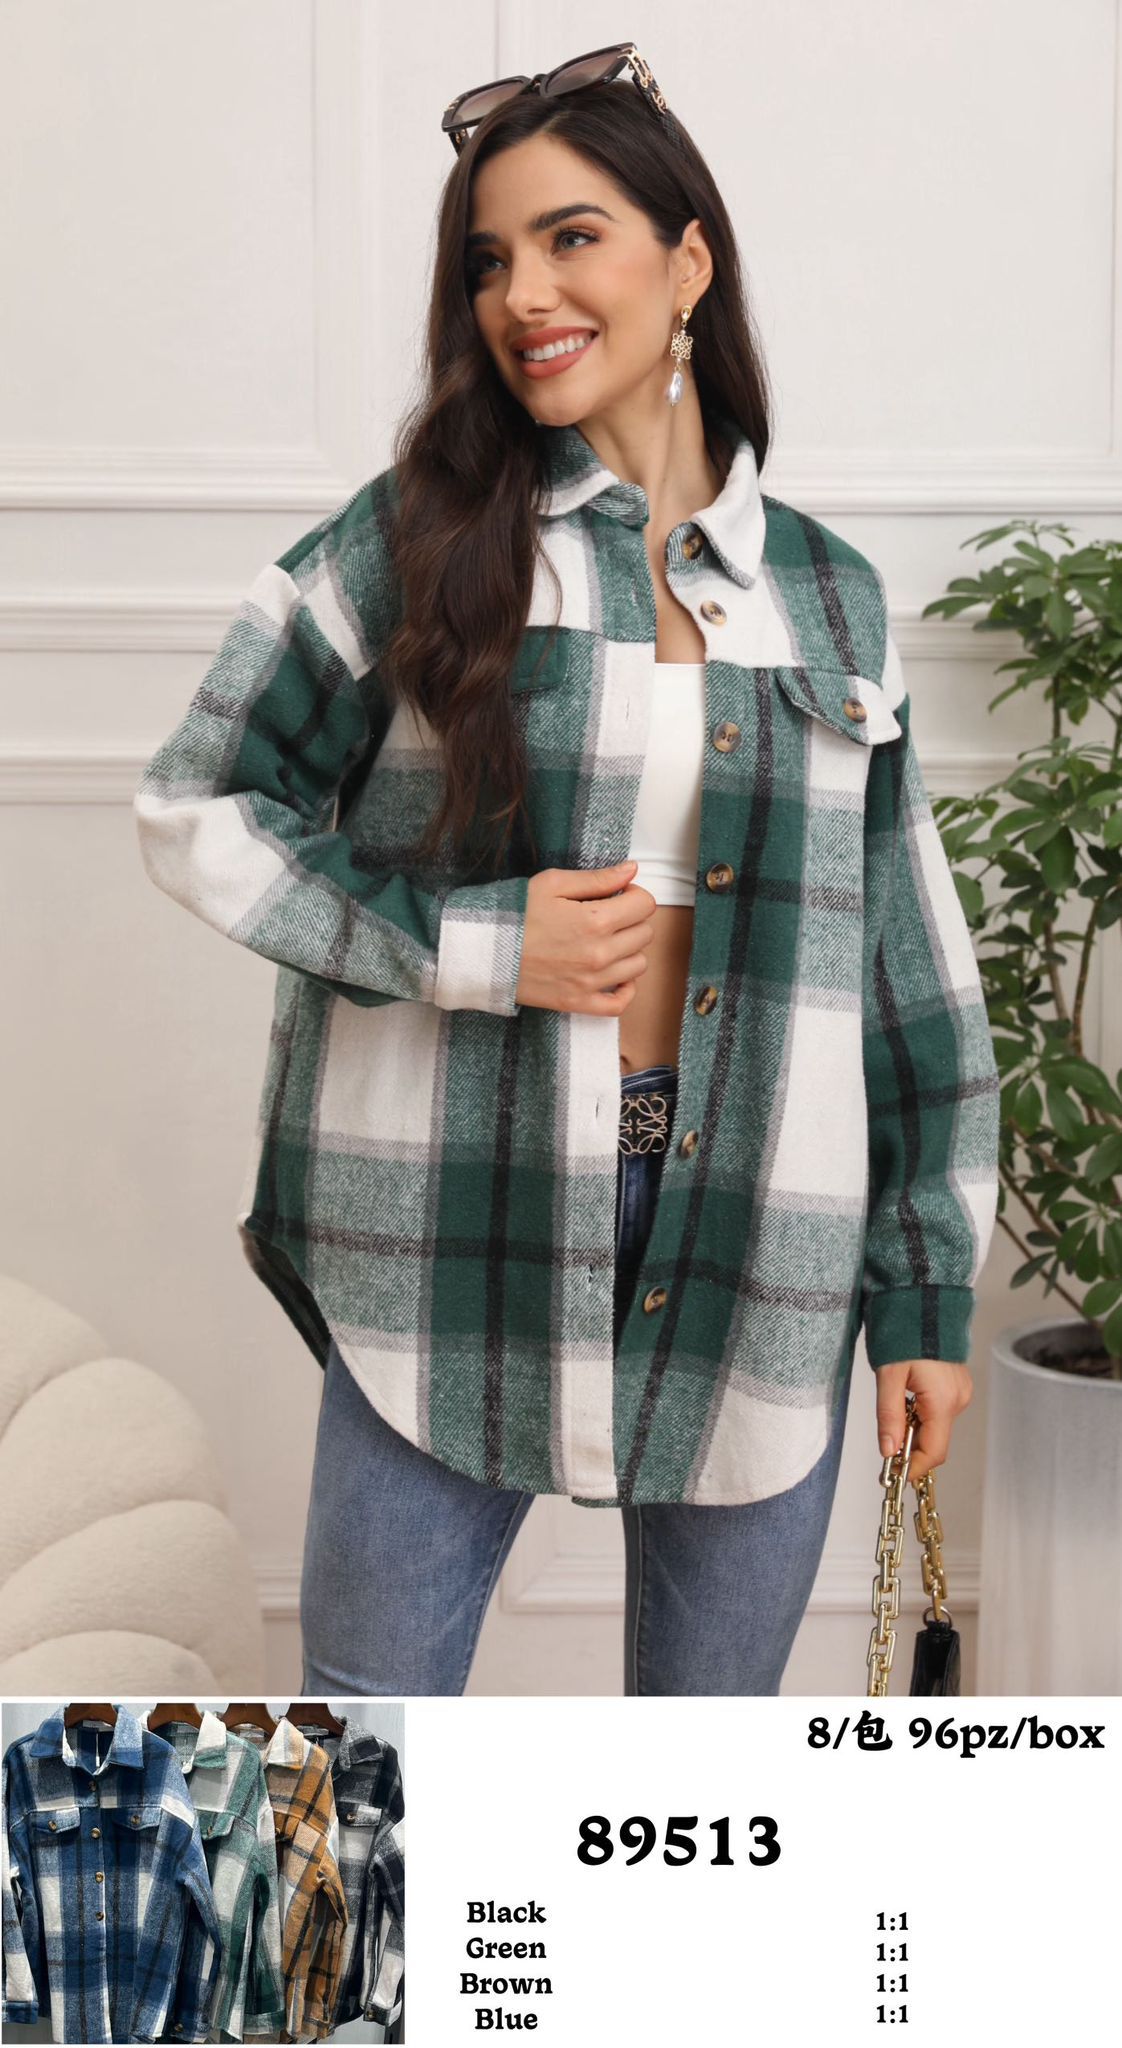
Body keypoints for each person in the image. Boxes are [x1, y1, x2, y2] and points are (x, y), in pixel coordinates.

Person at [134, 45, 1000, 1696]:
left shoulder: (826, 596)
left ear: (688, 262)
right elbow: (199, 804)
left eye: (569, 238)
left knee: (700, 1773)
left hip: (760, 1233)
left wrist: (922, 1297)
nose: (519, 293)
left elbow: (907, 977)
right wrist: (471, 945)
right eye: (486, 259)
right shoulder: (415, 542)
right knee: (369, 1758)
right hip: (450, 1221)